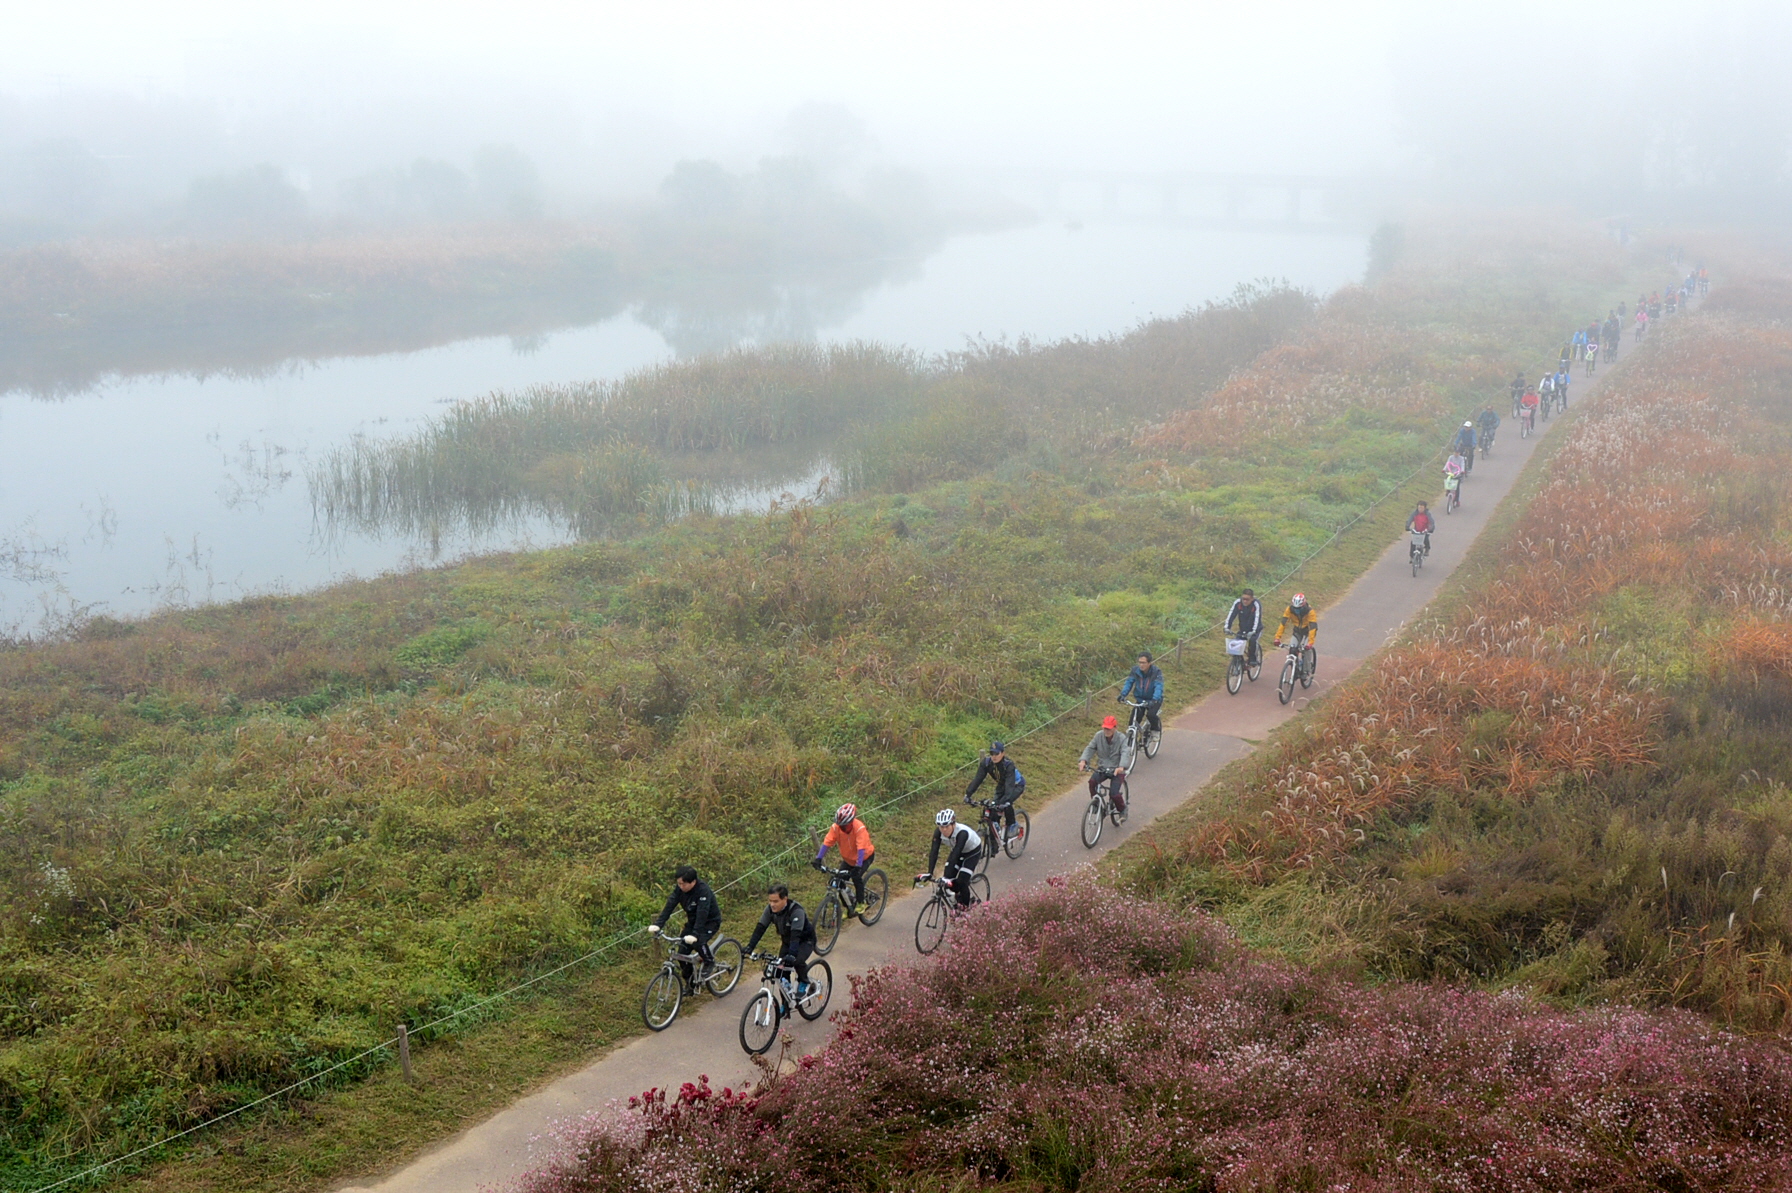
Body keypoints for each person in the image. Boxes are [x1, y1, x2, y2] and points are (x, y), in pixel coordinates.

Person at [743, 883, 818, 994]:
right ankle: (786, 1000)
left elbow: (796, 936)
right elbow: (760, 928)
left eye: (775, 901)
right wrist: (750, 946)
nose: (772, 904)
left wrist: (792, 955)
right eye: (770, 901)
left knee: (797, 961)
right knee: (780, 972)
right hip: (787, 941)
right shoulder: (770, 910)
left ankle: (804, 981)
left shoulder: (796, 911)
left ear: (785, 899)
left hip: (805, 941)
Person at [649, 865, 722, 977]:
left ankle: (709, 961)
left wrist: (695, 934)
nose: (681, 886)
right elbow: (670, 905)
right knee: (681, 954)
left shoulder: (703, 891)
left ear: (693, 882)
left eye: (683, 884)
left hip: (710, 922)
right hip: (692, 922)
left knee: (698, 941)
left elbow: (702, 914)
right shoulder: (680, 889)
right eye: (679, 884)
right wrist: (658, 924)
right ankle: (690, 980)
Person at [812, 803, 876, 915]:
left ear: (851, 822)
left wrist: (858, 866)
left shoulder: (859, 828)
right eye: (840, 825)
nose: (842, 828)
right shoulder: (836, 828)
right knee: (838, 881)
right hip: (848, 859)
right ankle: (849, 907)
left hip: (864, 858)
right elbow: (827, 842)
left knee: (856, 877)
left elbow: (861, 848)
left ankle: (861, 903)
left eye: (844, 826)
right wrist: (818, 858)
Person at [920, 808, 983, 910]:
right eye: (941, 827)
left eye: (947, 826)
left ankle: (966, 909)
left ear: (953, 824)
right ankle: (958, 898)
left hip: (972, 852)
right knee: (948, 879)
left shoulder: (962, 833)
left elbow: (956, 854)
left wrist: (947, 878)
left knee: (962, 880)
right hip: (958, 852)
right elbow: (934, 852)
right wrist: (930, 872)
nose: (944, 830)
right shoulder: (938, 832)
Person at [964, 741, 1024, 841]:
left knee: (1005, 803)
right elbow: (978, 779)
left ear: (1003, 753)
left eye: (997, 753)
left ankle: (1013, 824)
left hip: (1016, 785)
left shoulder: (1008, 765)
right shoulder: (986, 763)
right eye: (992, 753)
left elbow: (1009, 787)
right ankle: (995, 839)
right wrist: (968, 794)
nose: (994, 756)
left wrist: (1004, 802)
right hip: (1002, 785)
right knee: (993, 809)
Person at [1078, 714, 1134, 814]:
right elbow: (1090, 748)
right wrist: (1083, 760)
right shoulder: (1098, 736)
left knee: (1114, 794)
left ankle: (1122, 809)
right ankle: (1095, 803)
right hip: (1103, 768)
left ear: (1115, 728)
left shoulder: (1122, 738)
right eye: (1105, 728)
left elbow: (1125, 752)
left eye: (1109, 729)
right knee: (1092, 782)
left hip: (1117, 769)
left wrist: (1121, 767)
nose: (1106, 731)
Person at [1119, 651, 1164, 740]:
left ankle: (1155, 730)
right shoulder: (1135, 671)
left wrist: (1154, 699)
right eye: (1140, 662)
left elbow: (1158, 687)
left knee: (1151, 715)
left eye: (1143, 663)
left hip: (1153, 700)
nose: (1141, 665)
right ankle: (1132, 738)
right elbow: (1129, 682)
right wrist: (1123, 695)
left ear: (1149, 663)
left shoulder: (1156, 672)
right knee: (1133, 719)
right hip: (1140, 699)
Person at [1226, 587, 1264, 665]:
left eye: (1247, 599)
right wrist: (1227, 627)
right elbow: (1231, 615)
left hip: (1255, 630)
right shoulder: (1238, 603)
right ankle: (1238, 662)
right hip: (1243, 629)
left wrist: (1253, 631)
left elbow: (1257, 618)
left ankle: (1252, 659)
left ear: (1252, 599)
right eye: (1243, 599)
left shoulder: (1256, 604)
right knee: (1236, 643)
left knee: (1252, 641)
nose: (1245, 601)